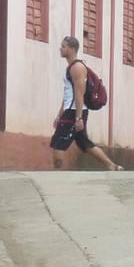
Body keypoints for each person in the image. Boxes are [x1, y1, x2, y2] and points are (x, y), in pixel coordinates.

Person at [51, 36, 122, 171]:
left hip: (74, 112)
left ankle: (57, 175)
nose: (60, 49)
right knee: (84, 143)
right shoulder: (71, 67)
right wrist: (59, 115)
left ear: (72, 49)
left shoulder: (77, 67)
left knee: (58, 143)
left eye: (63, 46)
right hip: (71, 110)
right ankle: (112, 166)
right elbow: (67, 94)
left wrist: (78, 118)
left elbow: (79, 94)